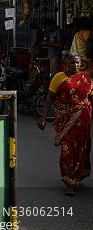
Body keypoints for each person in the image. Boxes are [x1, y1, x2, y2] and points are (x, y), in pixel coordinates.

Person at [37, 52, 92, 196]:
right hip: (64, 119)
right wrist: (43, 116)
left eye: (77, 62)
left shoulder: (85, 78)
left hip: (83, 119)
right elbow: (50, 97)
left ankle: (76, 177)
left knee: (82, 149)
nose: (75, 65)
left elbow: (89, 97)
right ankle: (69, 182)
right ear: (65, 63)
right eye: (72, 62)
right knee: (68, 149)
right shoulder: (59, 77)